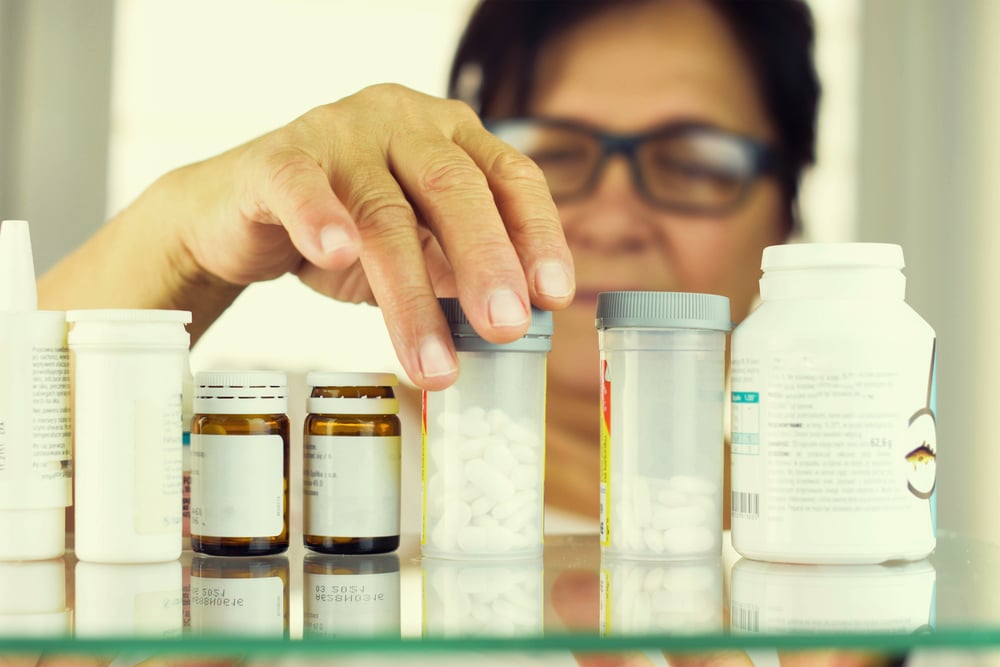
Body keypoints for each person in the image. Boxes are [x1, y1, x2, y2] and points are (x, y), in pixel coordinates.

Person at [35, 0, 905, 665]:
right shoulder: (299, 459)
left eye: (692, 161)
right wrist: (180, 239)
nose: (609, 215)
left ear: (785, 214)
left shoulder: (853, 544)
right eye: (553, 153)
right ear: (459, 180)